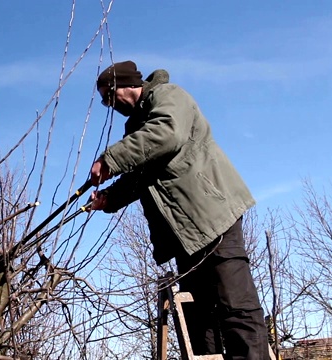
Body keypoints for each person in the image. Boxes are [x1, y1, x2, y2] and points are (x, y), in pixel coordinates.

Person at [89, 60, 269, 359]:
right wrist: (109, 198)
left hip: (212, 216)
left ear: (123, 85)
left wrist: (110, 159)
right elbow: (139, 177)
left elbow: (167, 134)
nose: (108, 105)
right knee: (196, 315)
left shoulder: (169, 96)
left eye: (108, 96)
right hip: (182, 232)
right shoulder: (136, 125)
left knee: (235, 304)